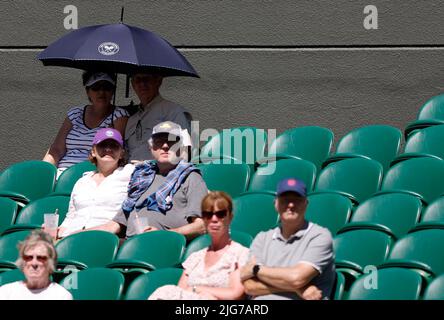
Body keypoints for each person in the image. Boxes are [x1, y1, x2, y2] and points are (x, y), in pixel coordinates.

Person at [93, 121, 207, 240]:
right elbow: (115, 225)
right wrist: (78, 234)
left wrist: (164, 234)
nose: (165, 146)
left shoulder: (191, 177)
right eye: (159, 142)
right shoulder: (141, 177)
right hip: (129, 245)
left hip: (164, 245)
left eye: (172, 141)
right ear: (151, 148)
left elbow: (202, 226)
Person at [240, 178, 335, 300]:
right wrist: (298, 288)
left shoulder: (320, 236)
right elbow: (249, 286)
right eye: (285, 200)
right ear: (276, 204)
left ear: (306, 203)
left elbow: (297, 278)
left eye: (297, 200)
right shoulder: (262, 238)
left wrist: (255, 269)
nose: (290, 205)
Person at [149, 191, 248, 300]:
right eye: (208, 215)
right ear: (204, 219)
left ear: (230, 217)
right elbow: (180, 292)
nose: (214, 219)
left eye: (220, 214)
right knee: (166, 291)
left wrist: (198, 289)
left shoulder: (239, 254)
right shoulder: (195, 258)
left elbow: (235, 294)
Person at [43, 71, 129, 175]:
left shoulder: (119, 115)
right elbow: (56, 149)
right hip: (62, 172)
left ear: (112, 91)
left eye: (106, 87)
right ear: (87, 91)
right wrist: (44, 171)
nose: (101, 92)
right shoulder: (75, 113)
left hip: (93, 174)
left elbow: (115, 152)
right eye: (95, 87)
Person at [56, 128, 134, 238]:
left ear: (121, 153)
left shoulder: (129, 173)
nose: (108, 149)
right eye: (103, 145)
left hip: (103, 238)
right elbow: (71, 217)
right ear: (93, 151)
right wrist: (57, 231)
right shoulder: (82, 181)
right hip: (71, 237)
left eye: (114, 146)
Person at [124, 73, 191, 161]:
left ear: (158, 81)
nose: (142, 84)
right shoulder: (132, 120)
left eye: (147, 79)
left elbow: (185, 151)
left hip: (160, 173)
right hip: (130, 172)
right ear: (133, 84)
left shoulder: (174, 112)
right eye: (138, 80)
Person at [0, 230, 72, 300]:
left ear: (51, 262)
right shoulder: (5, 292)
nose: (34, 263)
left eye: (40, 258)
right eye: (29, 257)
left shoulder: (61, 296)